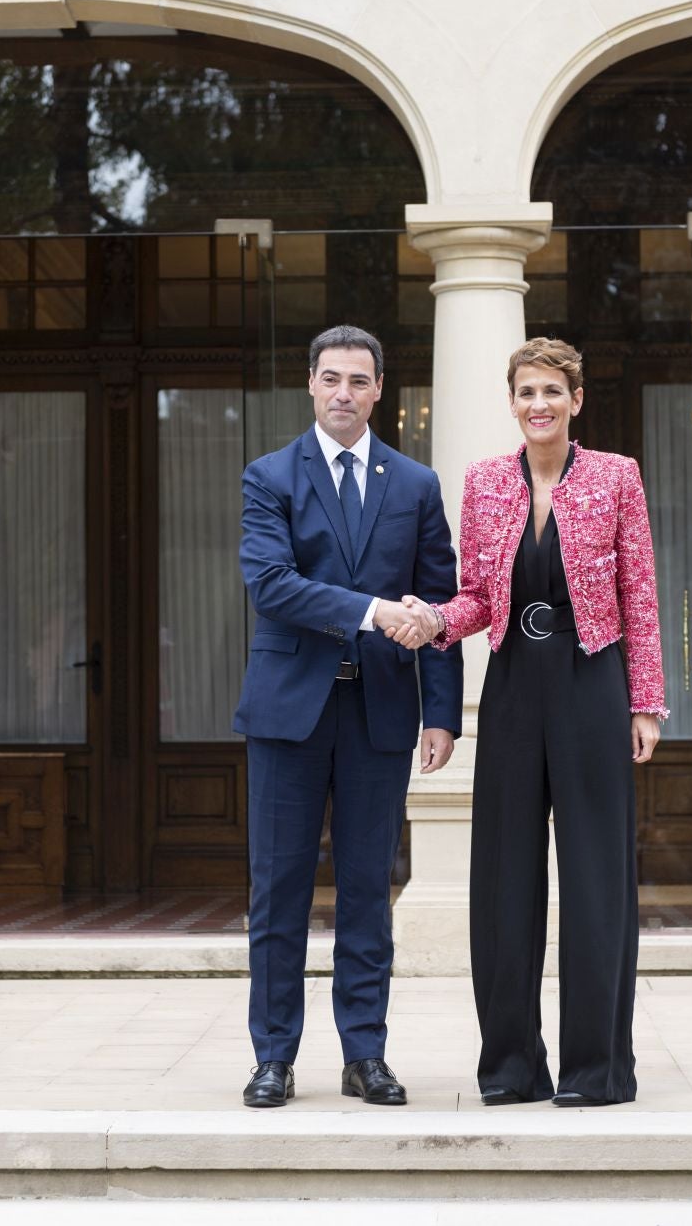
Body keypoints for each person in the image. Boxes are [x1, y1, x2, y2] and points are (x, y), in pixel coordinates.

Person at [419, 336, 666, 1108]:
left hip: (592, 678)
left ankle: (597, 1070)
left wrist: (645, 702)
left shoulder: (617, 476)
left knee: (595, 878)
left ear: (576, 400)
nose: (539, 404)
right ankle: (513, 1065)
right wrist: (429, 620)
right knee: (503, 876)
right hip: (515, 684)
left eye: (552, 391)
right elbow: (477, 598)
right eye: (527, 391)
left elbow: (641, 595)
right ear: (512, 400)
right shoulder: (485, 481)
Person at [233, 323, 461, 1108]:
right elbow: (271, 583)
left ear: (379, 390)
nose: (343, 393)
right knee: (280, 890)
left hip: (381, 716)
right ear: (310, 384)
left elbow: (435, 602)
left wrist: (443, 712)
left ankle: (366, 1054)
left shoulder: (416, 485)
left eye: (358, 381)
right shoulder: (269, 477)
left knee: (368, 889)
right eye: (330, 378)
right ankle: (274, 1055)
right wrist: (369, 610)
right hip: (287, 715)